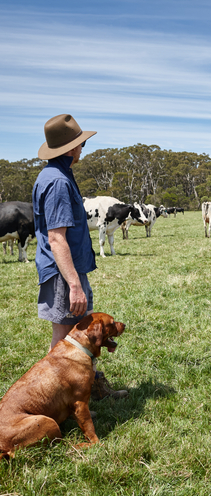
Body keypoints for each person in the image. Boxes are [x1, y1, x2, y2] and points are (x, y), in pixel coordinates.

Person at [32, 113, 127, 401]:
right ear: (70, 148)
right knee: (65, 342)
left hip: (67, 269)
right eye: (81, 144)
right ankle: (59, 402)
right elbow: (56, 237)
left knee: (74, 338)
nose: (82, 148)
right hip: (64, 273)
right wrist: (74, 284)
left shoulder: (57, 175)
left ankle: (88, 389)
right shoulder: (58, 182)